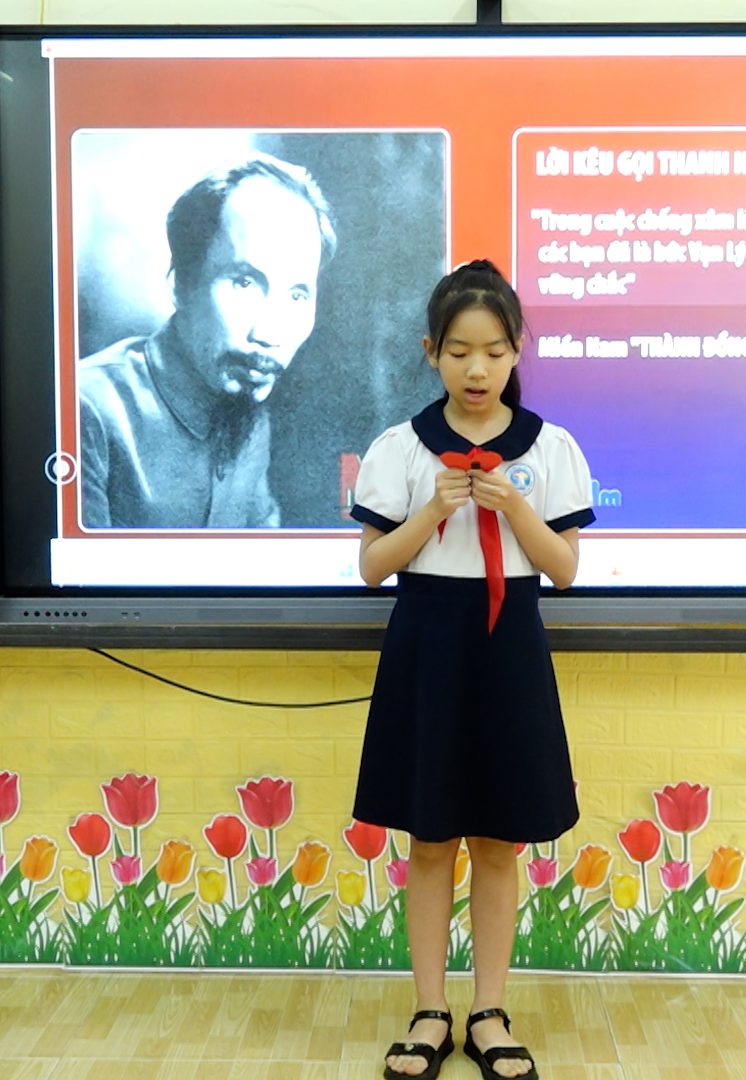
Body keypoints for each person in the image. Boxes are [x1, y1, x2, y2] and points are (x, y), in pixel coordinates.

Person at [349, 261, 594, 1080]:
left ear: (518, 350)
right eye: (459, 352)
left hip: (509, 651)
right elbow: (371, 568)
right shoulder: (400, 447)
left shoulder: (550, 448)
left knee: (497, 843)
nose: (477, 369)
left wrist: (515, 507)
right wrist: (434, 508)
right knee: (429, 841)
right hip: (427, 649)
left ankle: (489, 1011)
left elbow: (565, 570)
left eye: (493, 351)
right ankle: (430, 1010)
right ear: (431, 353)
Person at [77, 153, 336, 527]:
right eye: (244, 283)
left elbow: (263, 545)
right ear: (181, 284)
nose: (270, 334)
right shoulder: (86, 410)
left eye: (297, 294)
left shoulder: (248, 411)